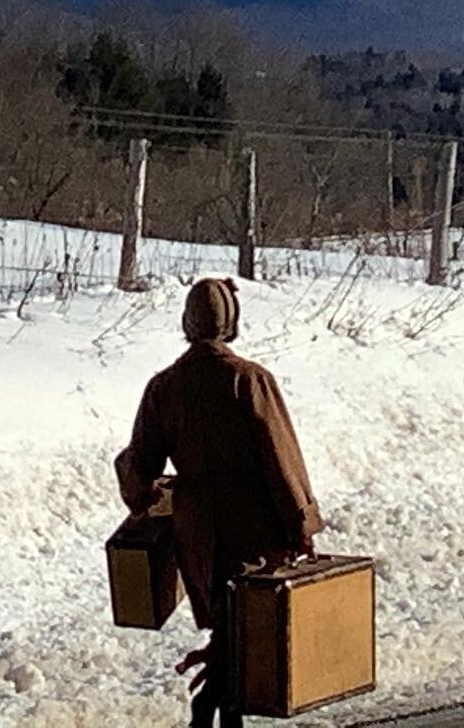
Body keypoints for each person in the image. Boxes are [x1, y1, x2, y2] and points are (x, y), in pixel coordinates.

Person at [115, 277, 324, 728]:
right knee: (244, 622)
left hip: (196, 526)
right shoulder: (249, 379)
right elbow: (280, 456)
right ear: (231, 321)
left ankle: (219, 710)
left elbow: (139, 463)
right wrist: (300, 522)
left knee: (226, 623)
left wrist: (140, 491)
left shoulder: (163, 387)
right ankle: (212, 707)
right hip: (250, 523)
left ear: (187, 322)